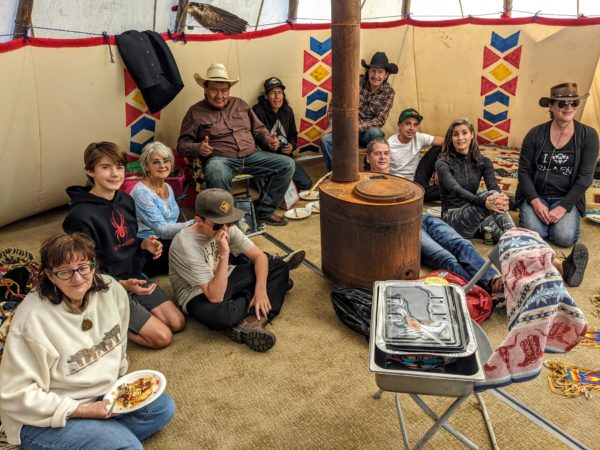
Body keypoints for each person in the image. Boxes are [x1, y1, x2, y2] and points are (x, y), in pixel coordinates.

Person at [0, 233, 174, 449]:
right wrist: (83, 411)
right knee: (129, 447)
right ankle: (107, 438)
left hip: (100, 397)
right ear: (50, 275)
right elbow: (15, 396)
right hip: (42, 419)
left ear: (93, 265)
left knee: (162, 407)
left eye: (83, 267)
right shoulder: (31, 320)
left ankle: (103, 437)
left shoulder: (113, 291)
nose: (77, 278)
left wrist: (117, 380)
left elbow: (119, 347)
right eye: (65, 271)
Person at [63, 142, 185, 349]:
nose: (114, 174)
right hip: (104, 287)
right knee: (162, 338)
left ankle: (129, 311)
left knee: (177, 322)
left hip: (134, 276)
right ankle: (104, 324)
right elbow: (83, 270)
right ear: (90, 171)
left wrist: (144, 244)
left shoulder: (126, 201)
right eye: (105, 167)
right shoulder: (80, 216)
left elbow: (125, 239)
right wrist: (121, 285)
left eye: (119, 167)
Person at [365, 139, 502, 295]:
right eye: (377, 154)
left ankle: (493, 281)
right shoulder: (365, 184)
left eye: (386, 153)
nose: (383, 157)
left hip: (423, 218)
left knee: (462, 244)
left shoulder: (399, 181)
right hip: (403, 229)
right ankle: (480, 291)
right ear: (368, 158)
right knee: (445, 257)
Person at [169, 188, 299, 352]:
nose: (225, 229)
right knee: (224, 316)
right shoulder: (185, 245)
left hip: (226, 276)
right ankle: (264, 299)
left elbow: (259, 257)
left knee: (278, 266)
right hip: (197, 292)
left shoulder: (226, 227)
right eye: (217, 225)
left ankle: (253, 319)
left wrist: (260, 291)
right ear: (198, 220)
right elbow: (215, 296)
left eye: (229, 222)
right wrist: (224, 253)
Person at [177, 63, 294, 226]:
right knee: (216, 171)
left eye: (224, 90)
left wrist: (269, 139)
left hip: (252, 155)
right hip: (221, 159)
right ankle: (226, 221)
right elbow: (182, 144)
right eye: (214, 90)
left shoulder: (240, 104)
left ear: (229, 90)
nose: (219, 95)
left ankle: (264, 212)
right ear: (205, 88)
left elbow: (259, 129)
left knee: (287, 164)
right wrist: (198, 148)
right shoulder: (195, 112)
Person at [516, 82, 599, 247]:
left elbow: (585, 178)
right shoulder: (535, 134)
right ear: (551, 106)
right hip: (537, 195)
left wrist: (563, 207)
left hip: (566, 197)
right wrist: (534, 201)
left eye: (574, 102)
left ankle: (555, 221)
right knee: (537, 234)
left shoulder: (588, 135)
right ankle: (533, 214)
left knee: (564, 238)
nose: (569, 108)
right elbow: (523, 172)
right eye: (562, 103)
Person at [435, 118, 515, 241]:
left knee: (509, 237)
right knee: (491, 196)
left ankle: (545, 256)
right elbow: (455, 189)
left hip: (475, 219)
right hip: (452, 219)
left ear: (472, 135)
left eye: (464, 133)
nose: (460, 138)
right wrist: (483, 201)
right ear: (451, 138)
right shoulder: (442, 163)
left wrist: (502, 197)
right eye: (455, 134)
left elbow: (493, 187)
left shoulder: (484, 161)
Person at [320, 51, 397, 171]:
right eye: (373, 71)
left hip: (366, 131)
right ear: (368, 71)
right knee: (326, 140)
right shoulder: (355, 81)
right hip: (345, 126)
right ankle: (335, 172)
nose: (376, 75)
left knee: (376, 134)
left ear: (386, 75)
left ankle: (370, 169)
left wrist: (358, 127)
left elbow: (380, 119)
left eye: (380, 72)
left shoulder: (389, 92)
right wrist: (332, 124)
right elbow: (334, 103)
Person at [130, 141, 194, 276]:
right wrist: (195, 223)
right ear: (146, 166)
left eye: (166, 161)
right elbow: (162, 230)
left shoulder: (167, 187)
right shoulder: (142, 193)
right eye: (155, 162)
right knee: (195, 249)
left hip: (169, 240)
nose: (163, 166)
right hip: (151, 248)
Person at [252, 76, 313, 190]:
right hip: (267, 159)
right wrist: (269, 143)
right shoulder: (257, 111)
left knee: (306, 183)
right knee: (270, 189)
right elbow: (253, 139)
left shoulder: (287, 110)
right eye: (273, 93)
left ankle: (279, 180)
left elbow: (293, 135)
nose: (277, 97)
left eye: (280, 93)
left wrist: (291, 146)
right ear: (265, 96)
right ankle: (264, 179)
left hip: (286, 159)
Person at [387, 108, 444, 180]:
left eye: (415, 125)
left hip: (416, 179)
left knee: (437, 148)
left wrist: (439, 168)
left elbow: (444, 141)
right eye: (407, 124)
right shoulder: (389, 144)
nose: (412, 128)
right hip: (396, 180)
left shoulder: (418, 137)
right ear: (399, 125)